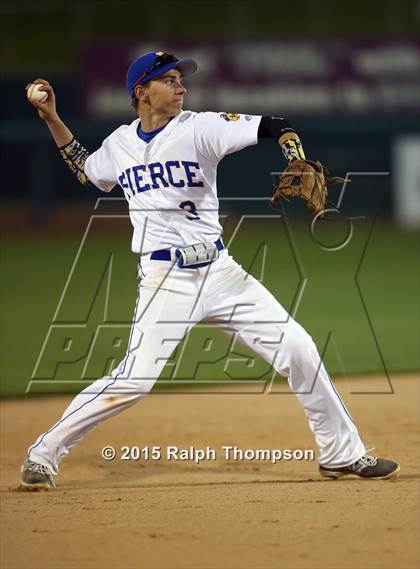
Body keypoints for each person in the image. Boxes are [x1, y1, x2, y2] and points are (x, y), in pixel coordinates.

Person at [21, 51, 399, 490]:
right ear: (141, 92)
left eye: (182, 79)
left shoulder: (200, 127)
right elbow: (86, 170)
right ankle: (43, 454)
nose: (182, 87)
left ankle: (341, 454)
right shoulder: (120, 144)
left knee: (298, 347)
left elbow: (275, 124)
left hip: (221, 273)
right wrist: (51, 116)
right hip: (166, 280)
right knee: (136, 381)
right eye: (170, 80)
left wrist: (294, 153)